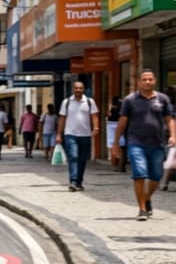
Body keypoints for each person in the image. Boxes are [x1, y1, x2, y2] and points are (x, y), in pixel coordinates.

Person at [111, 69, 176, 220]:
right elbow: (122, 122)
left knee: (156, 176)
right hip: (136, 142)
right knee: (139, 174)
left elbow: (169, 119)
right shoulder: (130, 100)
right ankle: (141, 209)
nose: (147, 82)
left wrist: (173, 135)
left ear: (155, 81)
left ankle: (146, 199)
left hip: (157, 143)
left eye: (150, 79)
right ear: (139, 82)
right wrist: (116, 142)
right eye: (144, 79)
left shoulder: (163, 99)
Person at [56, 82, 99, 192]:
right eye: (76, 88)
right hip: (70, 134)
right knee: (73, 157)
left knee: (82, 159)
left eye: (80, 88)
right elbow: (62, 118)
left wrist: (96, 128)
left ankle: (79, 182)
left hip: (85, 134)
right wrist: (58, 134)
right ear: (73, 89)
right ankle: (73, 181)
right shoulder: (67, 102)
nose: (78, 90)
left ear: (83, 89)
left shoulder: (89, 102)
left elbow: (94, 115)